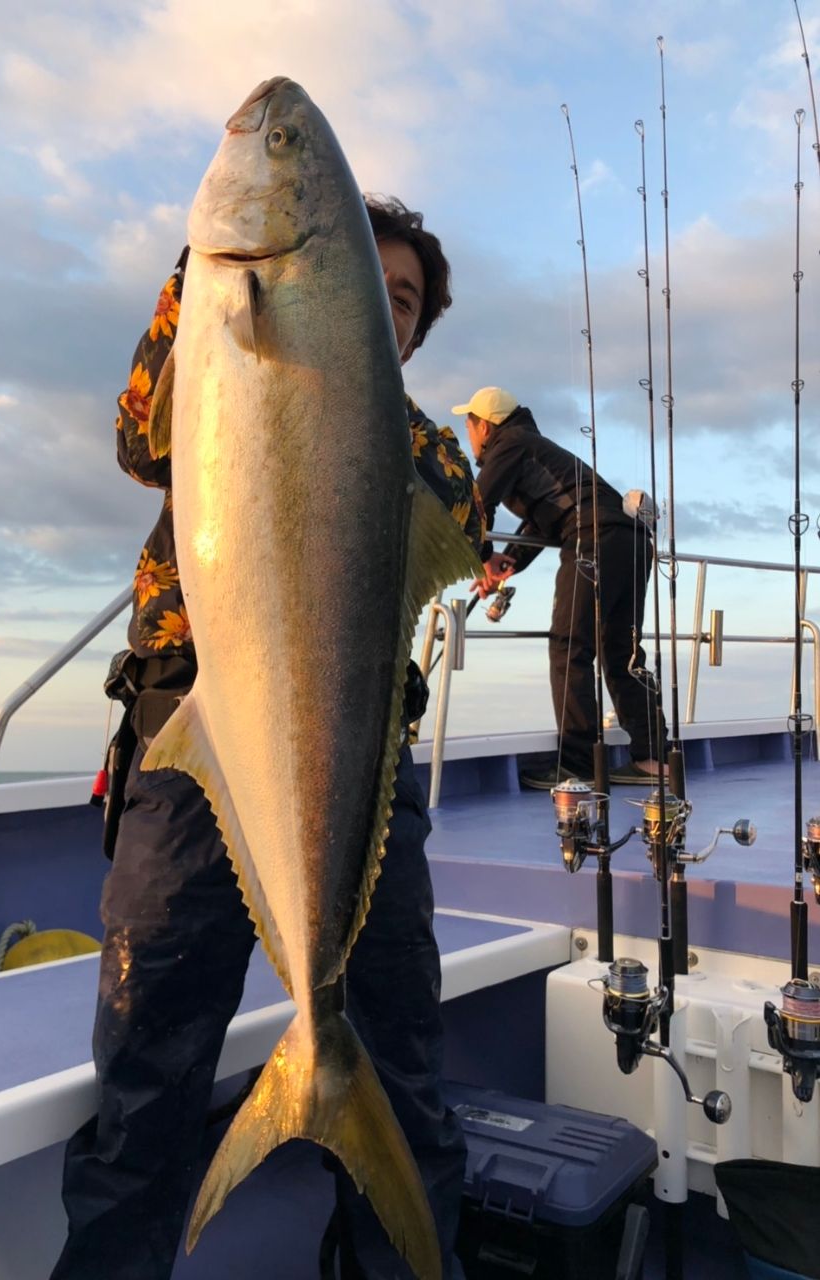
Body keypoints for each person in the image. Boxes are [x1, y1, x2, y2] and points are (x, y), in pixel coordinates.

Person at [50, 197, 484, 1280]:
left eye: (400, 302)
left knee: (401, 1074)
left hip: (355, 775)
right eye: (360, 283)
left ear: (416, 333)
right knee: (146, 1076)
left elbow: (448, 525)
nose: (378, 312)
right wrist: (211, 273)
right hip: (191, 749)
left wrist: (344, 409)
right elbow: (132, 439)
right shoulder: (215, 369)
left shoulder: (430, 449)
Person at [456, 386, 667, 789]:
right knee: (622, 650)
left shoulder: (510, 442)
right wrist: (509, 560)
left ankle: (578, 765)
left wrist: (482, 554)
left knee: (569, 645)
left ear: (484, 425)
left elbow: (476, 502)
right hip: (631, 538)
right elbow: (548, 513)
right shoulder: (531, 444)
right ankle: (654, 758)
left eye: (468, 426)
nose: (469, 436)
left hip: (595, 537)